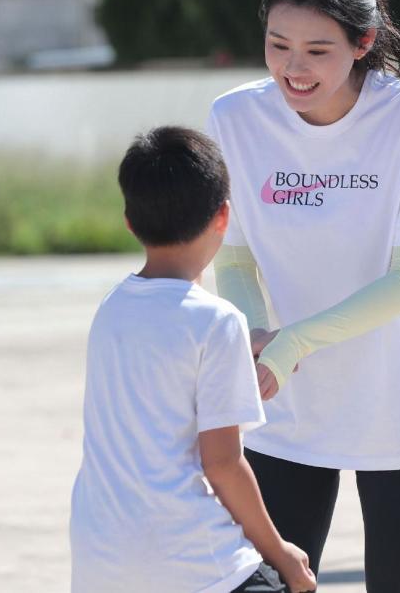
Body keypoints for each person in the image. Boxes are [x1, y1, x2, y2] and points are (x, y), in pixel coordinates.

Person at [207, 0, 400, 593]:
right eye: (278, 45)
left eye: (318, 51)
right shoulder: (234, 118)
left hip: (395, 404)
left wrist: (294, 339)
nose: (293, 70)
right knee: (276, 586)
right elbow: (235, 253)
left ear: (364, 42)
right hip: (286, 411)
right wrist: (256, 333)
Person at [69, 126, 317, 593]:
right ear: (223, 216)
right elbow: (222, 463)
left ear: (129, 220)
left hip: (100, 558)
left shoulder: (111, 308)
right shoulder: (217, 321)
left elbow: (164, 355)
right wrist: (279, 551)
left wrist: (239, 348)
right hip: (187, 559)